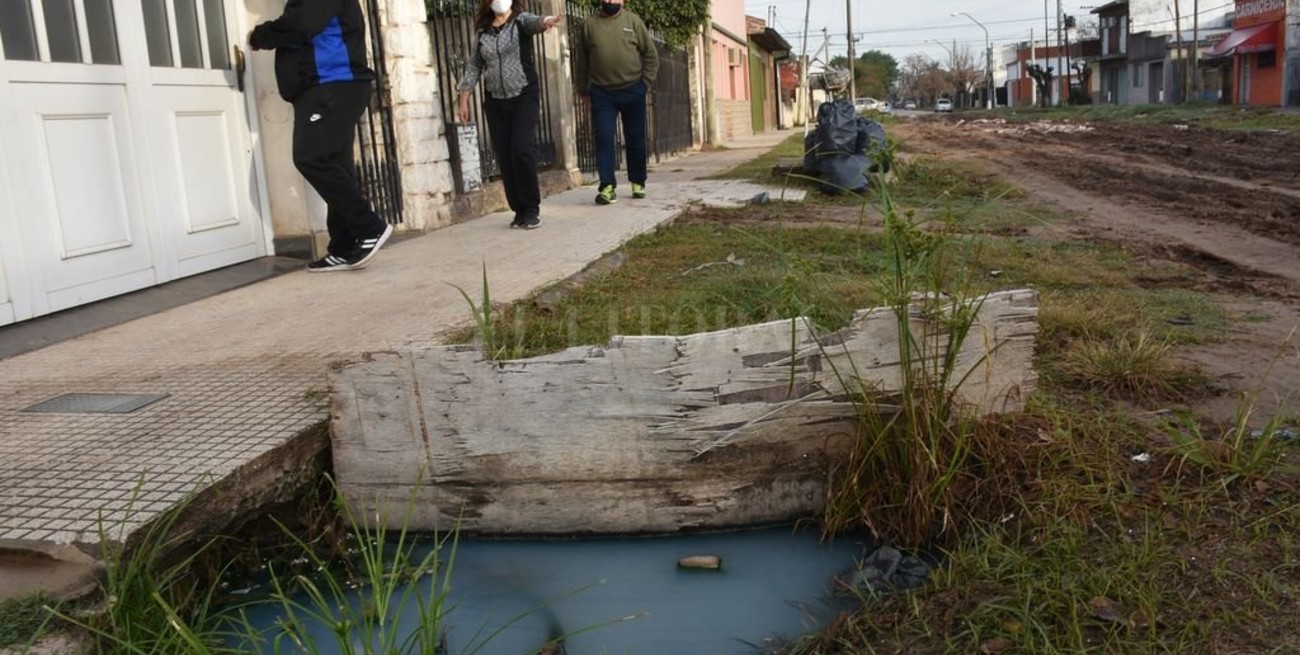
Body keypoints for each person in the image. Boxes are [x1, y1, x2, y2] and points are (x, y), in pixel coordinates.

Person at [249, 0, 393, 272]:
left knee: (310, 156)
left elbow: (301, 26)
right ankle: (343, 246)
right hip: (329, 87)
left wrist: (261, 35)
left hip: (332, 84)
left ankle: (369, 226)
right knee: (336, 164)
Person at [457, 0, 562, 229]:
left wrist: (547, 21)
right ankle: (518, 210)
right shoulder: (483, 31)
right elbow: (475, 66)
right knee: (505, 157)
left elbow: (535, 22)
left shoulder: (519, 21)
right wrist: (464, 97)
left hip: (524, 94)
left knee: (522, 151)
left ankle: (532, 208)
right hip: (495, 102)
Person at [572, 0, 658, 205]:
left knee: (636, 138)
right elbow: (582, 60)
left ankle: (638, 182)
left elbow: (651, 56)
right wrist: (583, 89)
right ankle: (607, 187)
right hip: (602, 93)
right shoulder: (588, 25)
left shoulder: (633, 22)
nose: (612, 1)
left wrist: (644, 83)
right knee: (603, 138)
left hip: (633, 89)